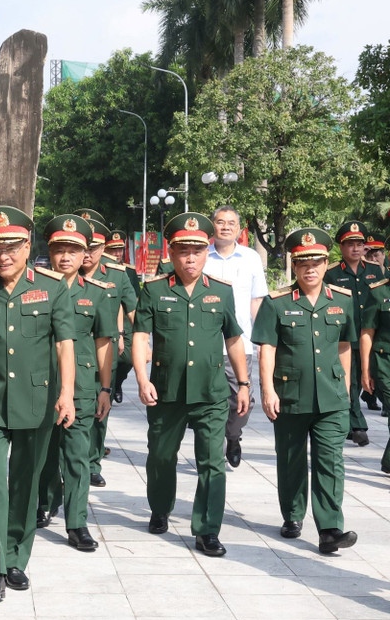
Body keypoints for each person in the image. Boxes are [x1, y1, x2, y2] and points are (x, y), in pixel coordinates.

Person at [0, 205, 75, 601]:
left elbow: (64, 345)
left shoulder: (53, 288)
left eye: (12, 247)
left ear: (27, 246)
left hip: (36, 402)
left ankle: (15, 559)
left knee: (25, 483)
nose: (3, 256)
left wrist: (67, 394)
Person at [132, 212, 249, 557]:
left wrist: (242, 383)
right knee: (161, 456)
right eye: (183, 251)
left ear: (206, 251)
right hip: (166, 392)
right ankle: (160, 506)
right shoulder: (154, 291)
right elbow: (140, 337)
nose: (190, 258)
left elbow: (234, 340)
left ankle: (207, 529)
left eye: (197, 251)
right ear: (171, 253)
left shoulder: (221, 292)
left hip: (211, 393)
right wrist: (141, 378)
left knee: (211, 462)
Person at [253, 228, 358, 553]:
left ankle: (329, 529)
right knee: (291, 459)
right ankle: (293, 515)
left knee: (330, 461)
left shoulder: (342, 301)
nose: (310, 268)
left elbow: (344, 346)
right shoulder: (277, 303)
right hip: (290, 395)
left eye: (317, 262)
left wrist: (346, 386)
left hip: (331, 397)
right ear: (294, 266)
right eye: (303, 263)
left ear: (327, 263)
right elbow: (267, 348)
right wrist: (267, 390)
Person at [36, 215, 114, 552]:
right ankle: (44, 503)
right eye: (59, 250)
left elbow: (103, 343)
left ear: (86, 255)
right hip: (39, 383)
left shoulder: (97, 294)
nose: (65, 257)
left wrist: (106, 388)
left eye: (73, 250)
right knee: (43, 452)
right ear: (49, 253)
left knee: (77, 455)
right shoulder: (34, 289)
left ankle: (77, 522)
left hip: (81, 385)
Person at [203, 206, 269, 467]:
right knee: (209, 401)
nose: (226, 227)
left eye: (232, 223)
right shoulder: (201, 256)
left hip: (240, 345)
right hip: (207, 344)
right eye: (220, 222)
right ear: (212, 227)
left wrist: (263, 340)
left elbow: (257, 301)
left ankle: (233, 436)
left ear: (240, 229)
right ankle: (211, 447)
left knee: (244, 401)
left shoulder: (250, 257)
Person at [77, 210, 136, 488]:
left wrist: (149, 342)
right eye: (83, 248)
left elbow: (134, 310)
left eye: (94, 248)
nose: (87, 254)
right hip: (70, 352)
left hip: (105, 353)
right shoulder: (61, 274)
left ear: (102, 248)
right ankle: (68, 463)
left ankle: (92, 462)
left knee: (100, 410)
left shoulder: (117, 275)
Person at [325, 220, 385, 446]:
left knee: (366, 382)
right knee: (348, 383)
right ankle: (358, 425)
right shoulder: (331, 273)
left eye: (360, 244)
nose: (356, 248)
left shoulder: (374, 271)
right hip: (344, 338)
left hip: (371, 338)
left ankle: (349, 422)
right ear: (341, 247)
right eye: (350, 244)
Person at [104, 229, 139, 404]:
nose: (117, 253)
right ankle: (108, 386)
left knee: (128, 359)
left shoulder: (130, 271)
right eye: (112, 250)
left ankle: (117, 383)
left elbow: (135, 299)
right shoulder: (103, 270)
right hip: (110, 318)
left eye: (119, 249)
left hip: (127, 319)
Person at [362, 232, 386, 414]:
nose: (374, 258)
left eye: (377, 253)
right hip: (383, 357)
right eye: (369, 253)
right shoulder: (377, 289)